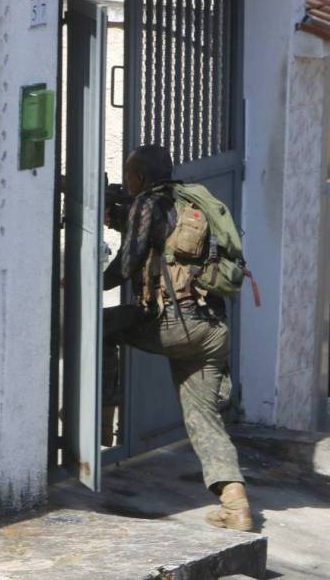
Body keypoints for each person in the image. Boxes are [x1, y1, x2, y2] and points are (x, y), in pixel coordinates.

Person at [101, 144, 251, 531]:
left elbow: (128, 263)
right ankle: (236, 506)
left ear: (139, 177)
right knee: (203, 415)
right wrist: (119, 218)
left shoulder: (146, 205)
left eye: (130, 176)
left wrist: (89, 282)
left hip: (176, 325)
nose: (127, 182)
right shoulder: (188, 202)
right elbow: (164, 240)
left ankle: (100, 421)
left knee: (96, 328)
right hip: (212, 328)